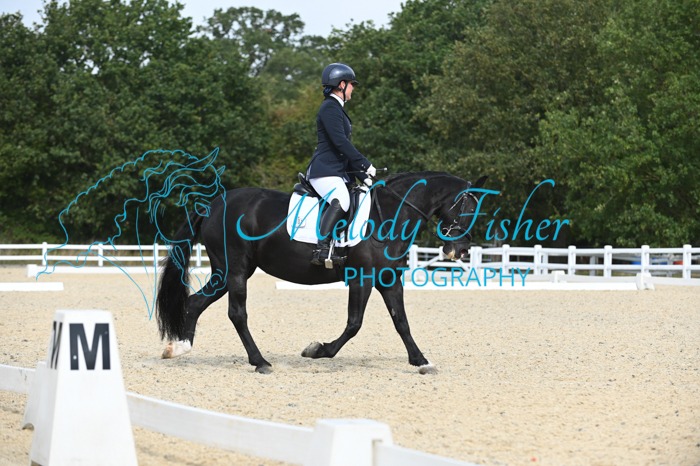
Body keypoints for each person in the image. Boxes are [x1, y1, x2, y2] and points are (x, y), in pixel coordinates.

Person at [306, 63, 376, 266]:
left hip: (337, 171)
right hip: (324, 171)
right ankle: (321, 249)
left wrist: (363, 177)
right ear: (342, 85)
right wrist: (364, 164)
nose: (353, 88)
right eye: (352, 84)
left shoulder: (337, 108)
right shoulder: (330, 107)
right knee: (342, 200)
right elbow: (340, 143)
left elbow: (343, 151)